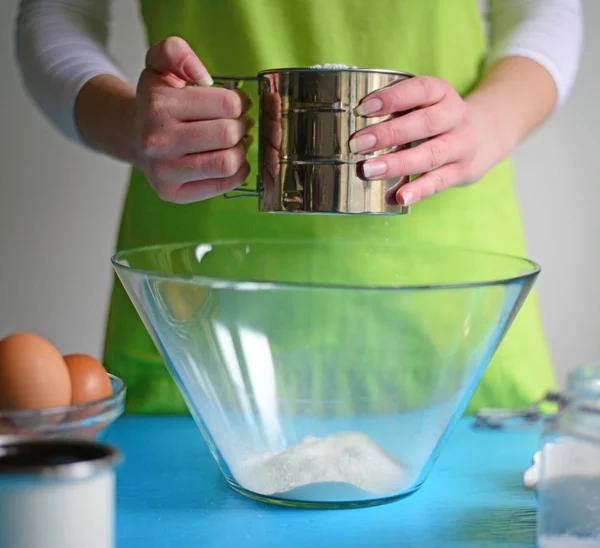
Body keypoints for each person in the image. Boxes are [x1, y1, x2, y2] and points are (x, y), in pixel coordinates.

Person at [15, 0, 583, 415]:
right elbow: (53, 15)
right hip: (202, 317)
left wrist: (490, 123)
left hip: (449, 305)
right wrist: (130, 126)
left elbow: (548, 10)